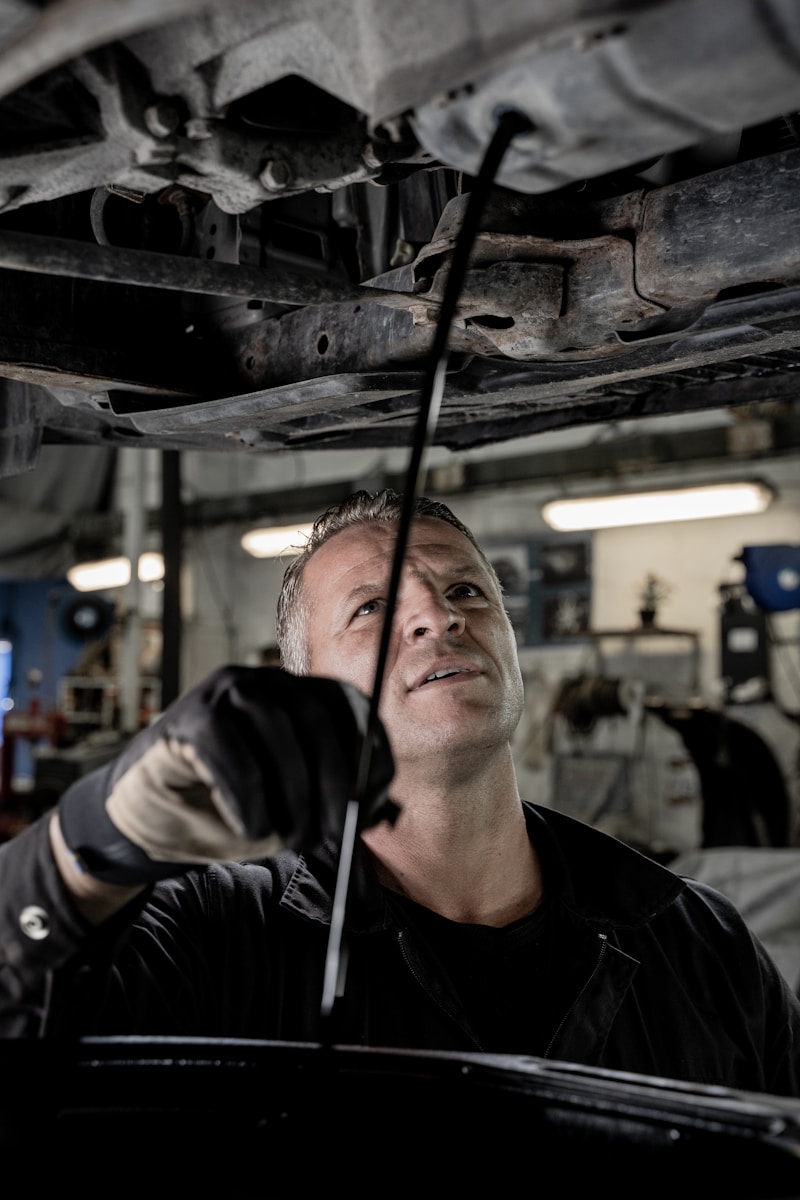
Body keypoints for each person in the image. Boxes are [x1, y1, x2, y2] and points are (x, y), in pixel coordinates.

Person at [0, 489, 798, 1098]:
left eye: (468, 593)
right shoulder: (215, 935)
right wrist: (97, 834)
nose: (437, 618)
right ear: (305, 684)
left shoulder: (698, 943)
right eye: (373, 607)